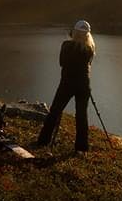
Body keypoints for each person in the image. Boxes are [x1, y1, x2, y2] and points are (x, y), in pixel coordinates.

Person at [36, 20, 96, 152]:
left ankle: (43, 141)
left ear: (74, 32)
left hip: (67, 84)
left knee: (55, 112)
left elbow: (61, 63)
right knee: (81, 116)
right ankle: (81, 148)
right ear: (87, 35)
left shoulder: (66, 45)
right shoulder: (89, 49)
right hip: (84, 86)